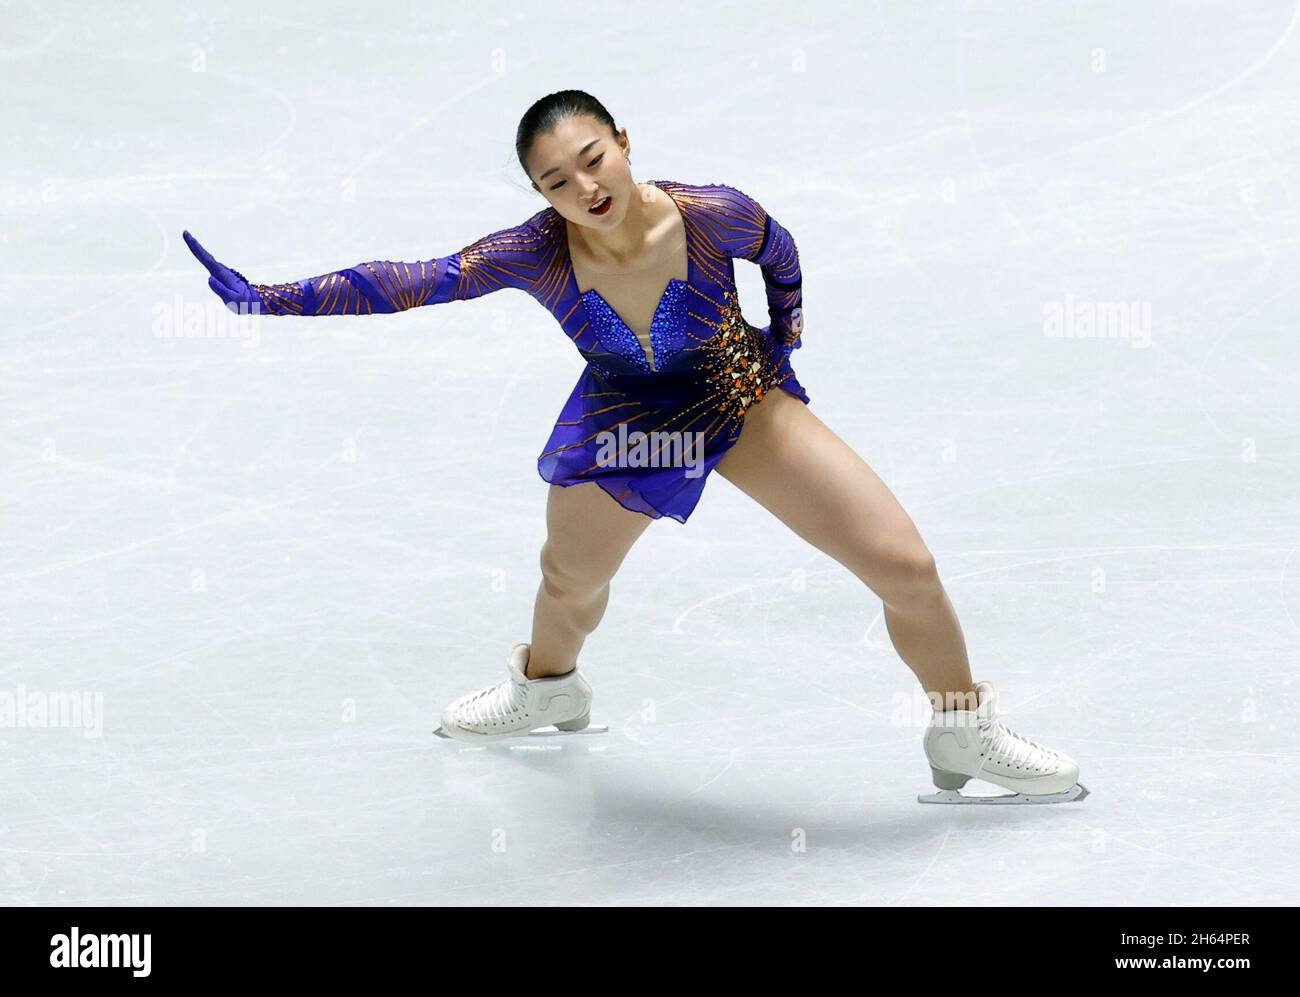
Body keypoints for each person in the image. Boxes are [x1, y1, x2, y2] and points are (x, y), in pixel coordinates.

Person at [184, 90, 1084, 804]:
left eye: (592, 159)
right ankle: (547, 689)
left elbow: (781, 249)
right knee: (568, 580)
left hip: (737, 395)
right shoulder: (533, 254)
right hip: (625, 422)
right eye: (556, 181)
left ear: (623, 139)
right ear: (539, 195)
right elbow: (413, 281)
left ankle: (962, 729)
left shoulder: (709, 215)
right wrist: (270, 297)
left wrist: (788, 335)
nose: (584, 188)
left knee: (907, 566)